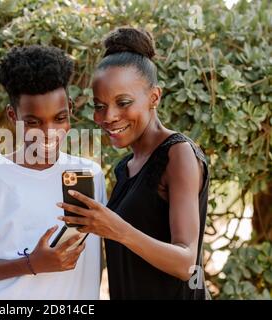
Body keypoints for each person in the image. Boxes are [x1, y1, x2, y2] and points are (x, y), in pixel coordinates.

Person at [58, 27, 209, 299]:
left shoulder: (178, 153)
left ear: (154, 97)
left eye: (123, 102)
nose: (109, 116)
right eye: (99, 105)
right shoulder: (126, 167)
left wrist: (117, 229)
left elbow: (186, 263)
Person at [0, 45, 107, 299]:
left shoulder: (89, 175)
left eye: (59, 118)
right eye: (33, 122)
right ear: (13, 116)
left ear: (69, 108)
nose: (49, 133)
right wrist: (32, 264)